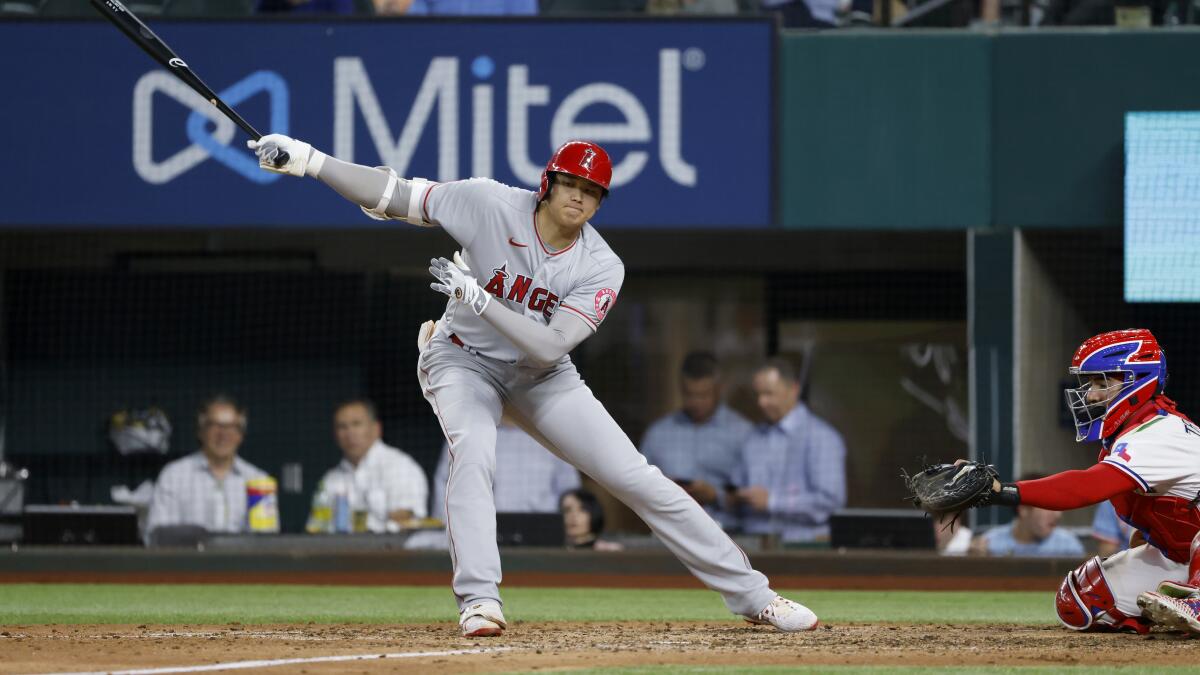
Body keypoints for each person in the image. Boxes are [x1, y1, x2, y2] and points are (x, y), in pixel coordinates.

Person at [248, 133, 819, 636]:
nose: (579, 196)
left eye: (591, 191)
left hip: (542, 376)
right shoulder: (488, 202)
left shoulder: (602, 265)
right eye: (570, 183)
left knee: (637, 478)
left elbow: (548, 346)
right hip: (461, 359)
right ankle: (479, 602)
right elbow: (393, 195)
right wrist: (308, 160)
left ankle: (756, 597)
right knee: (474, 453)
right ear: (547, 183)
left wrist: (479, 298)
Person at [956, 329, 1200, 634]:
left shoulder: (1161, 431)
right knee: (1081, 601)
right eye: (1090, 383)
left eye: (1103, 383)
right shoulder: (1133, 435)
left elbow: (1085, 488)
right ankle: (1184, 606)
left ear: (1138, 382)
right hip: (1187, 558)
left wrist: (1001, 491)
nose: (1091, 394)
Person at [731, 357, 847, 545]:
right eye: (758, 395)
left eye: (769, 394)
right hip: (753, 548)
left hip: (803, 548)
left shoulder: (821, 437)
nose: (761, 402)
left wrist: (773, 502)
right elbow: (737, 486)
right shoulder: (752, 438)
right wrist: (732, 495)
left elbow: (830, 502)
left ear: (793, 389)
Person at [639, 351, 751, 530]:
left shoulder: (743, 433)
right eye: (689, 395)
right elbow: (638, 489)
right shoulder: (658, 434)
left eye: (703, 395)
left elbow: (755, 494)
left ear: (719, 389)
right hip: (670, 533)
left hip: (729, 534)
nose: (696, 402)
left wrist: (716, 495)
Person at [146, 395, 277, 537]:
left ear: (241, 435)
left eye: (231, 427)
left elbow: (266, 540)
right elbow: (157, 536)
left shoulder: (259, 480)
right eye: (215, 426)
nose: (223, 434)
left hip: (241, 559)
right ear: (201, 432)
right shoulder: (174, 475)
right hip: (188, 559)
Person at [306, 399, 429, 534]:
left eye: (357, 424)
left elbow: (405, 520)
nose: (350, 433)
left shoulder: (400, 466)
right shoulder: (330, 479)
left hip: (390, 553)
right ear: (336, 435)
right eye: (342, 427)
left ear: (376, 429)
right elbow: (315, 528)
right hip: (337, 552)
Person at [431, 419, 580, 520]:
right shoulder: (465, 435)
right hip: (481, 531)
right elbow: (445, 486)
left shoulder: (553, 436)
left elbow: (570, 492)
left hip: (542, 530)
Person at [968, 473, 1085, 557]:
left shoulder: (1069, 546)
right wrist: (976, 562)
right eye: (1049, 506)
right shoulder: (990, 544)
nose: (1058, 515)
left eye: (1058, 507)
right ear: (1023, 509)